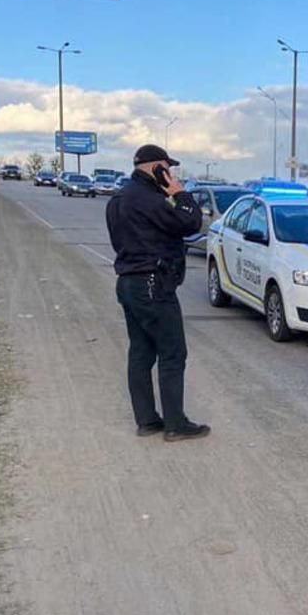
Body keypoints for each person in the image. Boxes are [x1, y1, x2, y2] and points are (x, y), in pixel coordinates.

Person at [105, 144, 210, 442]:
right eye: (169, 168)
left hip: (129, 283)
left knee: (141, 351)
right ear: (157, 168)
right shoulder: (150, 199)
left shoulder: (119, 199)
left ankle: (147, 421)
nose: (172, 173)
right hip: (154, 283)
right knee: (173, 352)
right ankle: (176, 424)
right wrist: (178, 192)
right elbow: (189, 223)